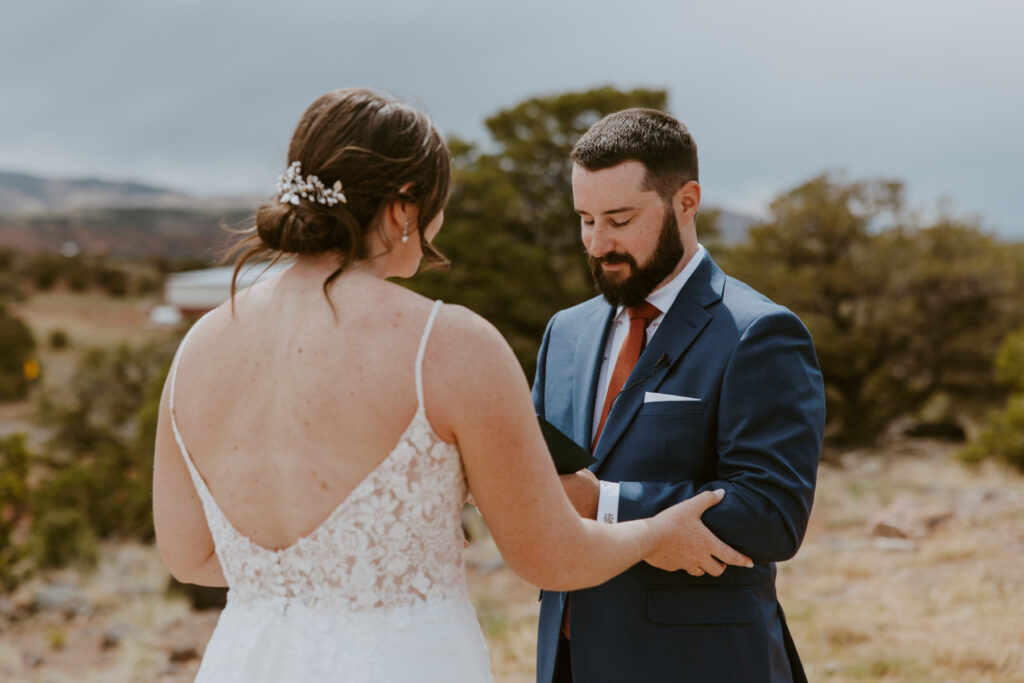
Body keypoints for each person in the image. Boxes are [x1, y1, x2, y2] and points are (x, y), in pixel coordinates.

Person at [151, 89, 752, 683]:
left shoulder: (200, 346)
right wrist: (655, 532)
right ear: (403, 206)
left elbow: (190, 557)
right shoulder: (448, 344)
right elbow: (550, 555)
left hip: (248, 660)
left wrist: (311, 581)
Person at [532, 108, 827, 682]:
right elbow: (541, 479)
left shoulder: (760, 332)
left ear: (686, 202)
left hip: (702, 664)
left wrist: (608, 505)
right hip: (568, 661)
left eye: (619, 219)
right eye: (585, 219)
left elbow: (773, 514)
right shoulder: (562, 333)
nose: (597, 244)